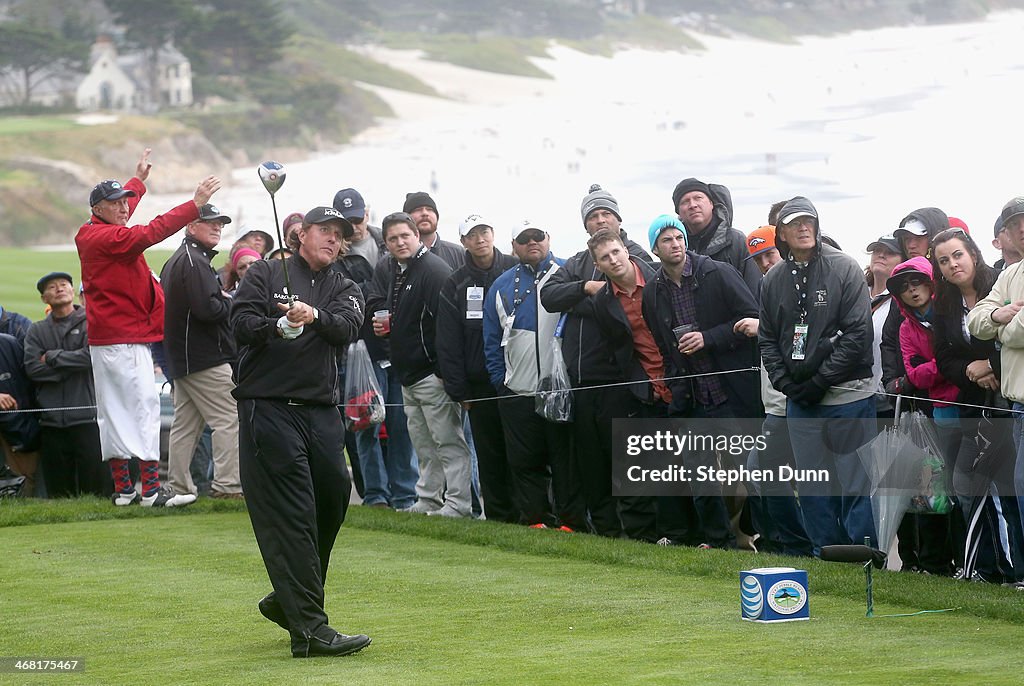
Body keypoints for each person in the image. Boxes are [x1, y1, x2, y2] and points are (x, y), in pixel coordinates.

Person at [231, 205, 370, 658]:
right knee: (292, 512)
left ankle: (288, 600)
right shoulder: (266, 275)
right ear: (300, 234)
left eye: (339, 234)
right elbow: (240, 325)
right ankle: (309, 629)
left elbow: (347, 327)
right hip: (268, 409)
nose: (333, 239)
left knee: (332, 499)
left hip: (321, 411)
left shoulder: (344, 285)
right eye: (324, 231)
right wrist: (277, 325)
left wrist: (314, 316)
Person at [75, 148, 221, 507]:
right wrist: (194, 204)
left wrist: (136, 182)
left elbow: (126, 215)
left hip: (114, 339)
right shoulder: (110, 239)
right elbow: (150, 232)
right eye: (116, 203)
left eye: (125, 201)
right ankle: (151, 491)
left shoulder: (94, 231)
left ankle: (126, 491)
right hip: (124, 340)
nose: (124, 207)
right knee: (141, 409)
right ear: (97, 209)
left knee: (116, 412)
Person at [758, 196, 877, 554]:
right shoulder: (774, 278)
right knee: (812, 483)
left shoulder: (845, 267)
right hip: (801, 402)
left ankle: (863, 556)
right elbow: (767, 338)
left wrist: (819, 381)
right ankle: (825, 553)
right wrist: (788, 384)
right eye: (794, 223)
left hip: (848, 396)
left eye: (808, 220)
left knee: (855, 482)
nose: (803, 227)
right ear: (781, 233)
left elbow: (858, 334)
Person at [641, 216, 761, 548]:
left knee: (753, 472)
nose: (675, 243)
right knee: (701, 479)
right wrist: (673, 385)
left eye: (678, 236)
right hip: (690, 398)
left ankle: (768, 539)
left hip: (730, 393)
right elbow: (663, 345)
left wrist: (708, 338)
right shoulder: (652, 291)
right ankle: (718, 544)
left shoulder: (717, 272)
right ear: (655, 248)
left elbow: (751, 317)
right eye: (666, 240)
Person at [541, 186, 653, 537]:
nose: (600, 220)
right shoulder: (577, 261)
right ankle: (605, 528)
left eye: (605, 213)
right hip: (582, 379)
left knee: (627, 458)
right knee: (590, 462)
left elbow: (630, 298)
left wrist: (585, 300)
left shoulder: (636, 256)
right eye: (592, 216)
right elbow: (550, 295)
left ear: (618, 219)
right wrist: (585, 289)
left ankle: (637, 530)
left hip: (622, 378)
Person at [931, 228, 1024, 584]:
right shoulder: (945, 302)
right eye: (943, 261)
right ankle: (988, 569)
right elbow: (944, 356)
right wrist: (972, 370)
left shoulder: (1001, 282)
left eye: (957, 255)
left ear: (972, 252)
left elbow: (1011, 340)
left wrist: (991, 365)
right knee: (970, 489)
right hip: (973, 406)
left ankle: (1014, 570)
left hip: (1009, 400)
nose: (953, 265)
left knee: (1010, 491)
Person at [366, 212, 471, 517]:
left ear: (416, 236)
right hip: (408, 374)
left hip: (431, 375)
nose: (400, 242)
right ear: (385, 243)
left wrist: (443, 373)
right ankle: (429, 498)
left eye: (405, 236)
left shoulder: (432, 269)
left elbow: (448, 327)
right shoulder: (397, 268)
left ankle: (459, 504)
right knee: (424, 445)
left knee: (449, 442)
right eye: (393, 239)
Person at [482, 221, 586, 530]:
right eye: (523, 239)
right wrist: (501, 382)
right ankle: (536, 519)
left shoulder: (568, 272)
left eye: (537, 237)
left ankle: (572, 521)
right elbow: (491, 340)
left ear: (548, 239)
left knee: (566, 461)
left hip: (561, 388)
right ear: (513, 245)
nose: (532, 243)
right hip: (517, 390)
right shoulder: (501, 285)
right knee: (525, 461)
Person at [332, 187, 418, 510]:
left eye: (358, 218)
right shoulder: (335, 256)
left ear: (366, 215)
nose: (354, 226)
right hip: (358, 353)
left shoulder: (387, 243)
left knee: (400, 425)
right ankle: (376, 494)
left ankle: (405, 493)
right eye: (347, 220)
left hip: (393, 351)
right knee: (365, 422)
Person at [439, 214, 519, 523]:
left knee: (522, 450)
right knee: (490, 453)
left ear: (493, 233)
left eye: (484, 232)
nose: (480, 239)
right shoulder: (455, 281)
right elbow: (448, 340)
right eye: (472, 235)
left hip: (518, 379)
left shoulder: (514, 267)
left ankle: (530, 512)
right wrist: (459, 390)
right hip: (480, 384)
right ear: (463, 242)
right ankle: (499, 515)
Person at [160, 203, 242, 501]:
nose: (217, 227)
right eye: (210, 222)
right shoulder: (193, 261)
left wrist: (220, 297)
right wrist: (230, 300)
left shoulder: (179, 260)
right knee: (228, 418)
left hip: (183, 359)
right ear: (191, 226)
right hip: (204, 358)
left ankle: (179, 486)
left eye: (220, 223)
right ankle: (228, 486)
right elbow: (208, 310)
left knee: (186, 424)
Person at [968, 196, 1024, 563]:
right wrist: (1002, 315)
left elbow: (1016, 333)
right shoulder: (1011, 274)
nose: (1022, 228)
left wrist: (1003, 329)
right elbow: (976, 320)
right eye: (1017, 222)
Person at [23, 272, 109, 497]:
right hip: (52, 422)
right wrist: (70, 369)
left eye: (63, 285)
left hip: (86, 416)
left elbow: (91, 358)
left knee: (94, 489)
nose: (59, 289)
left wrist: (52, 357)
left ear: (73, 292)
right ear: (44, 298)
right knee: (59, 492)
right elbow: (32, 368)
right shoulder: (36, 330)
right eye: (51, 287)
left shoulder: (91, 322)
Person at [671, 178, 761, 294]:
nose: (692, 205)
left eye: (698, 198)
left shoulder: (736, 241)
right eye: (685, 202)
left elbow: (754, 288)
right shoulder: (676, 246)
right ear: (679, 212)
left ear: (711, 203)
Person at [402, 191, 463, 269]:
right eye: (417, 210)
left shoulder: (457, 253)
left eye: (429, 209)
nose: (425, 213)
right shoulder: (397, 256)